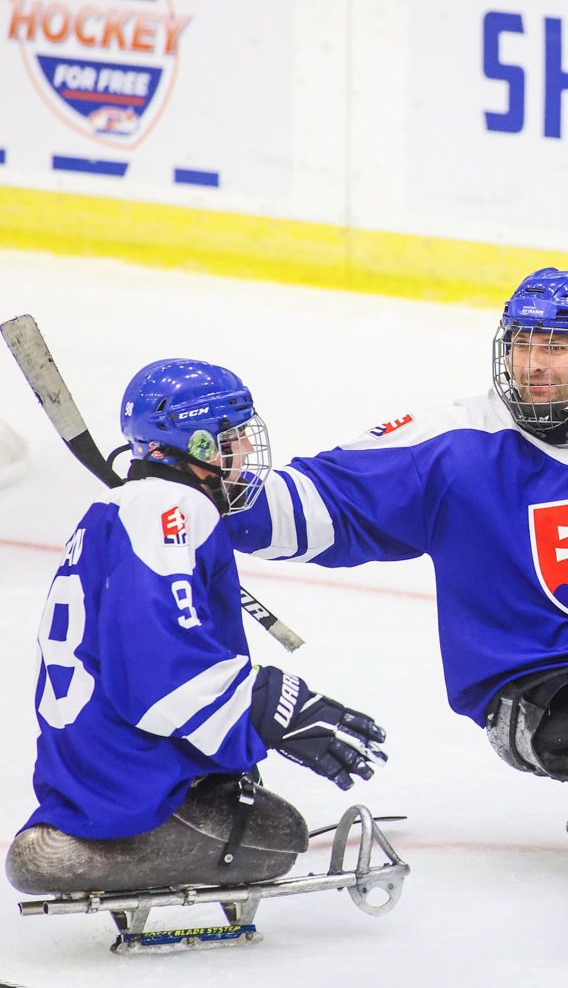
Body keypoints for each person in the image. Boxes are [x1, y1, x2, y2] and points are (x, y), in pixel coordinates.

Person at [223, 269, 568, 887]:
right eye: (522, 344)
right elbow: (320, 504)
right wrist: (203, 491)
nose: (533, 364)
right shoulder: (452, 447)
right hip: (527, 689)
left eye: (556, 347)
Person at [7, 359, 387, 896]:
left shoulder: (122, 509)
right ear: (202, 445)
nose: (247, 454)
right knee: (279, 836)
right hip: (129, 798)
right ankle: (124, 837)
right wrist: (268, 706)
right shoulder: (173, 511)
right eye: (234, 438)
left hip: (93, 778)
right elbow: (159, 673)